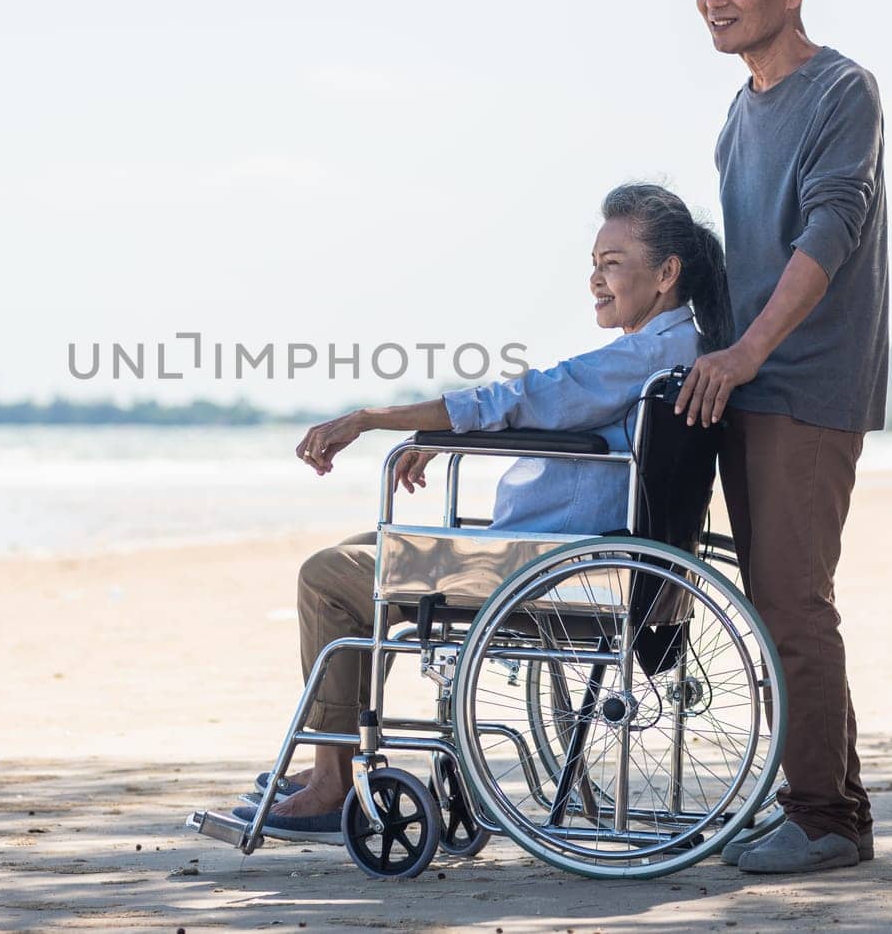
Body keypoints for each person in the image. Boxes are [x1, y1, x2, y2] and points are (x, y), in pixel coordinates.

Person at [233, 183, 730, 842]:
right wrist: (443, 438)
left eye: (611, 263)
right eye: (594, 263)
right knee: (365, 557)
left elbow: (522, 399)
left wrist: (373, 419)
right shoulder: (680, 350)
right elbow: (533, 405)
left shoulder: (642, 358)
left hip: (553, 568)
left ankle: (332, 778)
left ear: (666, 274)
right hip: (593, 558)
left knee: (330, 576)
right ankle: (336, 762)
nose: (594, 281)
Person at [677, 0, 889, 874]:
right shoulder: (738, 112)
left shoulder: (843, 90)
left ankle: (825, 821)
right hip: (743, 382)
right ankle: (829, 804)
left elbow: (828, 235)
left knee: (793, 599)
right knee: (777, 603)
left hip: (806, 383)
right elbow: (738, 264)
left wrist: (751, 354)